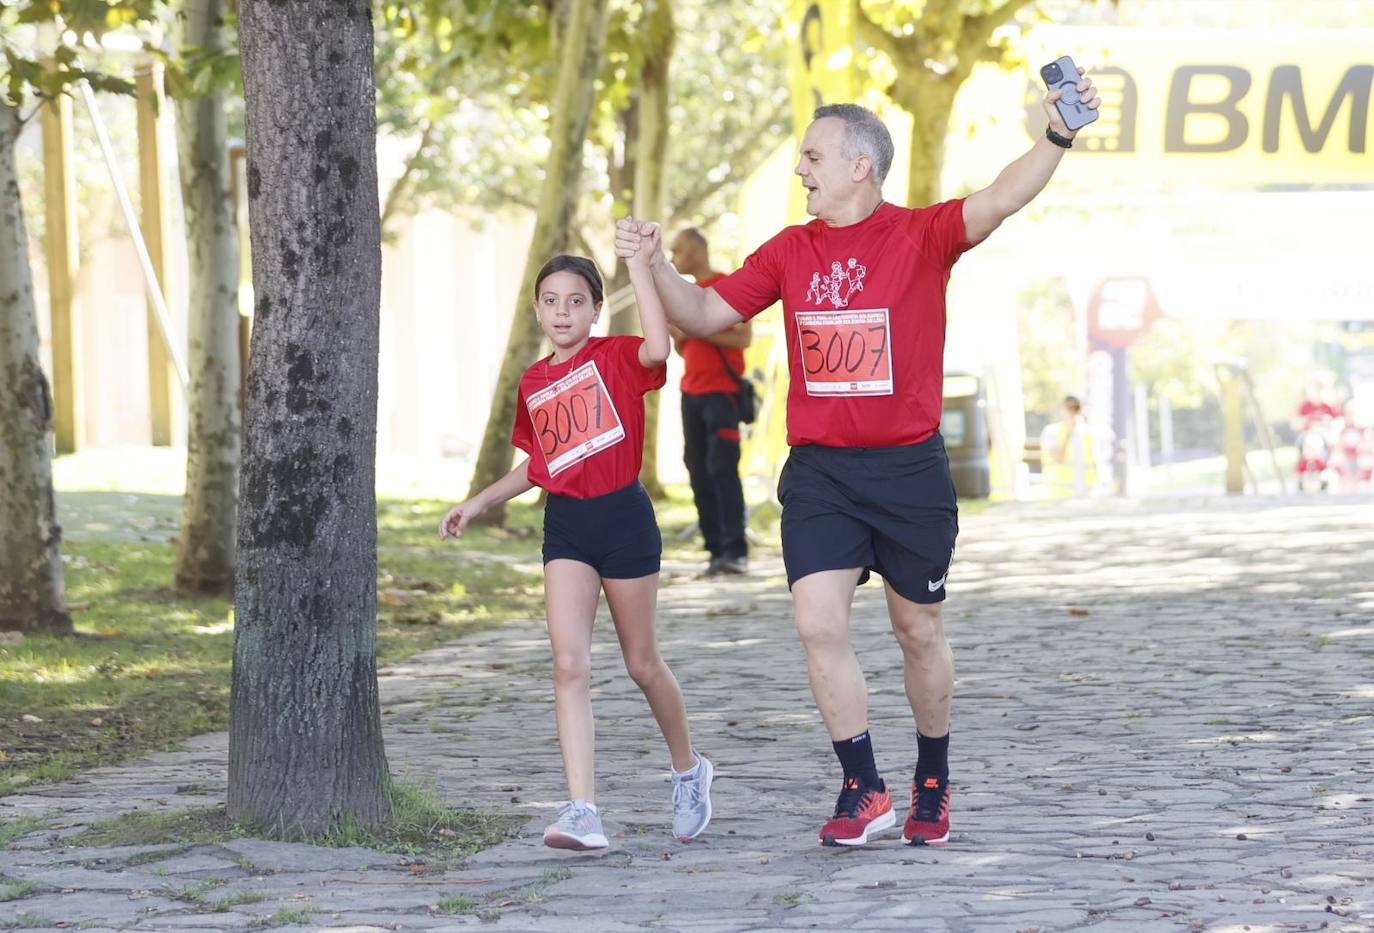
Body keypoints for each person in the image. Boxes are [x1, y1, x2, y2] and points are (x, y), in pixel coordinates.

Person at [617, 71, 1099, 847]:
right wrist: (654, 266)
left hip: (908, 472)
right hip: (822, 475)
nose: (800, 169)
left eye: (812, 155)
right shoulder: (789, 250)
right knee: (816, 622)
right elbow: (707, 312)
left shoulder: (921, 235)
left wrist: (1057, 134)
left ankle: (931, 780)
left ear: (858, 166)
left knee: (917, 630)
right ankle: (862, 784)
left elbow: (1003, 196)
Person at [439, 253, 713, 851]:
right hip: (566, 526)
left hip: (624, 520)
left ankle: (689, 770)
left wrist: (640, 266)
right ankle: (582, 809)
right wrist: (478, 502)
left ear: (595, 309)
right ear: (537, 309)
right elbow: (540, 464)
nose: (562, 311)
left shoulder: (616, 356)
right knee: (569, 663)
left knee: (642, 663)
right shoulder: (534, 381)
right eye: (551, 301)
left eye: (576, 301)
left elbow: (660, 351)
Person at [668, 227, 753, 576]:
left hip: (723, 393)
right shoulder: (682, 293)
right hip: (691, 392)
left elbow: (743, 337)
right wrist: (685, 329)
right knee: (698, 470)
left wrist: (700, 327)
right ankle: (715, 549)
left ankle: (735, 550)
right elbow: (679, 340)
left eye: (678, 251)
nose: (674, 259)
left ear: (697, 250)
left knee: (722, 468)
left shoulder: (727, 285)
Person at [1040, 395, 1098, 497]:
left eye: (1076, 408)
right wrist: (1069, 433)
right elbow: (1058, 458)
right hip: (1059, 494)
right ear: (1062, 410)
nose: (1072, 412)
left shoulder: (1088, 433)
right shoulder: (1051, 432)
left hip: (1086, 494)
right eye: (1069, 408)